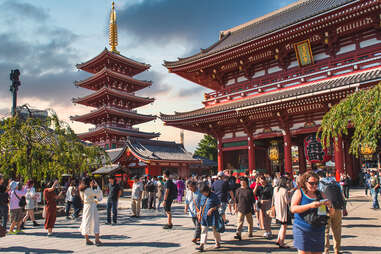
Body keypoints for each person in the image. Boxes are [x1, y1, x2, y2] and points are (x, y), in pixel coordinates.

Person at [291, 171, 331, 254]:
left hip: (318, 229)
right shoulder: (299, 193)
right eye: (311, 183)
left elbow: (330, 213)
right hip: (302, 228)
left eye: (316, 183)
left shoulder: (321, 194)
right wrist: (310, 205)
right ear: (305, 182)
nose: (314, 186)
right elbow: (293, 209)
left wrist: (330, 206)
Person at [320, 170, 347, 254]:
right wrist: (344, 208)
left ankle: (326, 250)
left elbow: (319, 197)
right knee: (337, 230)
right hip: (337, 207)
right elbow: (342, 196)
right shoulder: (336, 183)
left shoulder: (320, 184)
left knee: (325, 231)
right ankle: (337, 250)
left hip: (324, 207)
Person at [196, 183, 222, 252]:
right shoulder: (202, 196)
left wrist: (212, 209)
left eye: (204, 192)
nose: (203, 194)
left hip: (213, 216)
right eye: (202, 193)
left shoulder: (214, 196)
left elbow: (219, 205)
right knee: (203, 230)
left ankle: (217, 242)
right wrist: (199, 213)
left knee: (215, 230)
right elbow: (201, 205)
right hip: (204, 216)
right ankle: (202, 245)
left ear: (207, 191)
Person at [79, 177, 103, 246]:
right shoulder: (88, 189)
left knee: (86, 221)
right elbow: (98, 194)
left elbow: (84, 197)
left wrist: (92, 187)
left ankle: (87, 239)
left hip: (86, 206)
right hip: (91, 206)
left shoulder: (82, 189)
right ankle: (97, 239)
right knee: (95, 221)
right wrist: (97, 186)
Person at [273, 176, 291, 248]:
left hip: (278, 209)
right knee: (284, 226)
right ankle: (281, 242)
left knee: (281, 226)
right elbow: (287, 201)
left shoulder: (275, 189)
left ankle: (278, 239)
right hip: (283, 210)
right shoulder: (284, 190)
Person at [254, 175, 273, 239]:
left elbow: (272, 196)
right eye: (260, 180)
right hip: (261, 203)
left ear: (265, 180)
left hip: (268, 203)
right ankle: (267, 231)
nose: (261, 181)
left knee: (268, 218)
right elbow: (254, 194)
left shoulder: (269, 186)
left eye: (262, 179)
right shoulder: (259, 187)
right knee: (262, 218)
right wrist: (256, 185)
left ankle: (269, 231)